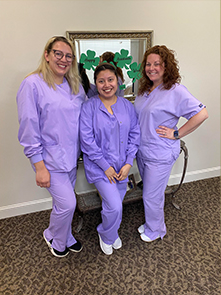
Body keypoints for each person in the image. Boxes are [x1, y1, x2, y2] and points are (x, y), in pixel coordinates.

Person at [16, 36, 87, 257]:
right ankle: (52, 236)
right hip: (48, 159)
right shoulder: (32, 84)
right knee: (67, 204)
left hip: (70, 157)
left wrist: (114, 85)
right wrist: (39, 166)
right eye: (58, 54)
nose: (64, 59)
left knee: (63, 203)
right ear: (47, 55)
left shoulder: (73, 84)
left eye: (69, 56)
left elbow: (87, 109)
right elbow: (28, 127)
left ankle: (66, 236)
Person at [134, 45, 209, 243]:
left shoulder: (175, 90)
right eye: (148, 64)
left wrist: (177, 133)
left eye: (157, 64)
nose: (151, 68)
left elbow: (202, 114)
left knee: (151, 196)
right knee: (150, 193)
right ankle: (153, 223)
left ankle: (156, 230)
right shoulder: (145, 89)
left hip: (160, 153)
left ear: (166, 66)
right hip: (142, 151)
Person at [80, 63, 140, 255]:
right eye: (101, 81)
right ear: (95, 84)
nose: (106, 84)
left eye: (110, 80)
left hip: (122, 166)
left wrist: (129, 162)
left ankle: (111, 232)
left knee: (114, 204)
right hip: (100, 168)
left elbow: (135, 133)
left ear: (118, 81)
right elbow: (87, 140)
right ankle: (106, 234)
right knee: (114, 206)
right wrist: (105, 167)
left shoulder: (126, 106)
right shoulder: (88, 107)